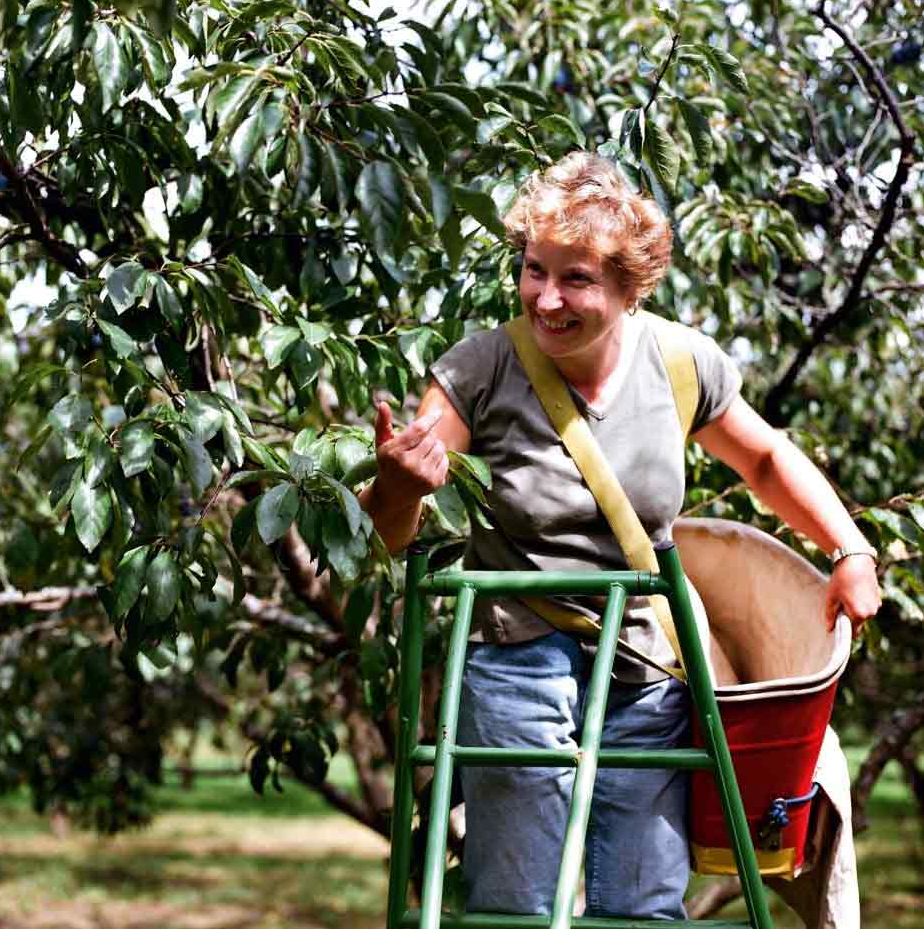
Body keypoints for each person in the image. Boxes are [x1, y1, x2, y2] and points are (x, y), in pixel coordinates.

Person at [360, 152, 881, 919]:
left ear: (630, 287)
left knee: (642, 904)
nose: (546, 299)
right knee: (518, 905)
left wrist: (851, 549)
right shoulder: (482, 367)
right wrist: (398, 488)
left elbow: (765, 458)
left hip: (647, 665)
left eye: (576, 280)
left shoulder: (678, 362)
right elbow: (386, 537)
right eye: (535, 270)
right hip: (515, 659)